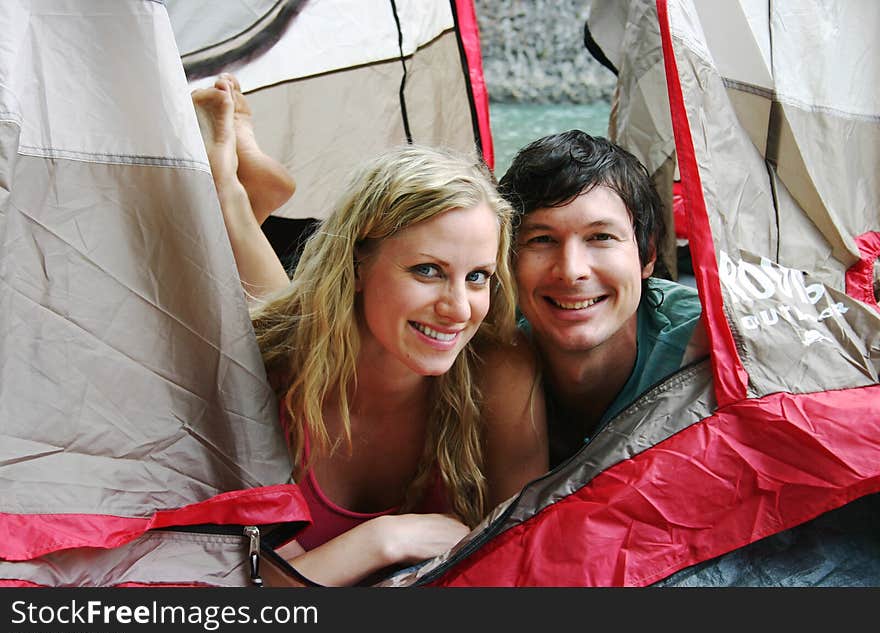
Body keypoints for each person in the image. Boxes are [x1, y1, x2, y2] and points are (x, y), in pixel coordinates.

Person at [192, 75, 547, 586]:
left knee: (294, 318)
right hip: (298, 347)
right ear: (357, 263)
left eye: (477, 277)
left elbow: (525, 556)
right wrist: (386, 539)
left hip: (318, 329)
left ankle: (235, 194)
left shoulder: (500, 369)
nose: (456, 308)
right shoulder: (263, 375)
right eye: (426, 269)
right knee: (275, 331)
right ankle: (225, 191)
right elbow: (258, 588)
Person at [499, 130, 704, 468]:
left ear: (648, 254)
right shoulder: (486, 347)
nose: (571, 270)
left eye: (601, 237)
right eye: (542, 239)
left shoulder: (707, 345)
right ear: (507, 259)